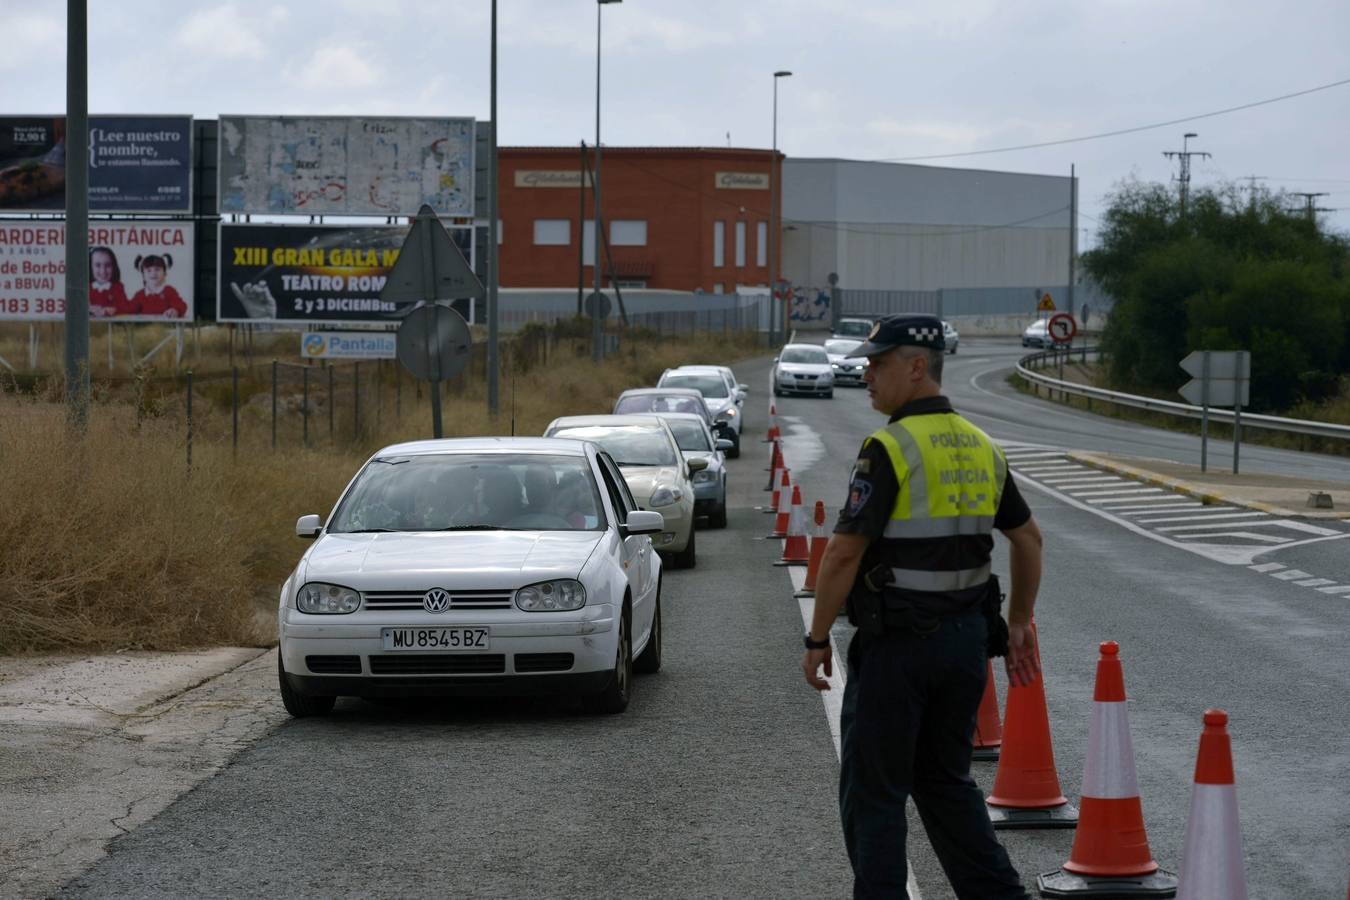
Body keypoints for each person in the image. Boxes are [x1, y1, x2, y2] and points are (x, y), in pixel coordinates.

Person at [801, 313, 1043, 899]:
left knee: (876, 793)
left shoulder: (890, 446)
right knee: (946, 783)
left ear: (916, 368)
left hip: (899, 648)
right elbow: (1029, 538)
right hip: (964, 649)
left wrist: (816, 640)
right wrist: (1018, 623)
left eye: (878, 363)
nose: (866, 373)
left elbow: (843, 553)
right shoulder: (982, 445)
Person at [129, 254, 187, 318]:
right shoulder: (140, 295)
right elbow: (129, 309)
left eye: (157, 269)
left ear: (165, 273)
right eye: (149, 270)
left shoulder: (169, 291)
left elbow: (181, 305)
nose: (153, 273)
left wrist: (175, 310)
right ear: (143, 275)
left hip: (166, 325)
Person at [89, 247, 129, 318]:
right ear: (90, 267)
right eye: (98, 265)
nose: (103, 271)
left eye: (108, 265)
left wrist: (114, 310)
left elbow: (125, 308)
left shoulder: (118, 287)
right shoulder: (85, 288)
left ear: (114, 267)